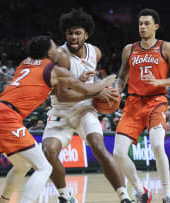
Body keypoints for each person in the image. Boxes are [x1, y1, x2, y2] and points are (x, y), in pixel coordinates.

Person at [0, 35, 117, 203]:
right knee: (44, 168)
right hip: (6, 116)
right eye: (55, 48)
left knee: (22, 165)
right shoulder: (55, 69)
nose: (58, 50)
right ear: (49, 52)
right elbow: (85, 91)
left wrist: (77, 80)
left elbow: (48, 88)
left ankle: (3, 200)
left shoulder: (25, 63)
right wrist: (105, 82)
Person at [41, 9, 131, 203]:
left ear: (86, 35)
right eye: (70, 33)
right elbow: (63, 96)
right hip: (61, 111)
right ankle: (65, 195)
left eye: (77, 33)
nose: (73, 37)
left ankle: (124, 196)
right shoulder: (59, 57)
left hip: (84, 110)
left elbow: (82, 83)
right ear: (65, 34)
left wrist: (97, 92)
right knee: (48, 151)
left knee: (99, 146)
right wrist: (96, 90)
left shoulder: (95, 53)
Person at [114, 8, 170, 203]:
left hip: (156, 102)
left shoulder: (166, 47)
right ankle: (141, 190)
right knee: (118, 153)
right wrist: (115, 92)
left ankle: (168, 195)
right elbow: (122, 77)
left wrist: (159, 82)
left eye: (146, 23)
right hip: (132, 104)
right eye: (140, 24)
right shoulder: (129, 49)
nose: (142, 27)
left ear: (156, 26)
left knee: (156, 145)